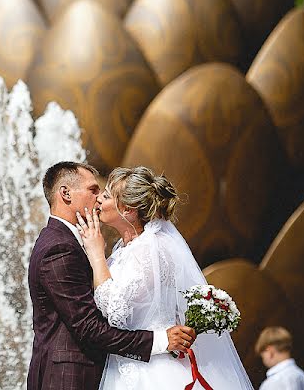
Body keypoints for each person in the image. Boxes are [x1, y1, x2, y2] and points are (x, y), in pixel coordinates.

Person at [76, 165, 254, 389]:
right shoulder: (124, 248)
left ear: (128, 210)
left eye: (108, 195)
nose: (99, 198)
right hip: (129, 361)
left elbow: (114, 311)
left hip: (152, 370)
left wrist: (96, 254)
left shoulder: (151, 249)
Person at [26, 161, 196, 390]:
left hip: (133, 372)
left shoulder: (139, 249)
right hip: (68, 377)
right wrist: (160, 340)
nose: (98, 198)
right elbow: (88, 326)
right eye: (93, 190)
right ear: (65, 193)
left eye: (103, 193)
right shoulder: (59, 248)